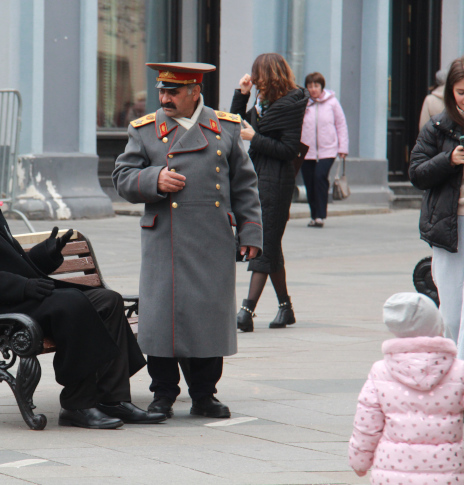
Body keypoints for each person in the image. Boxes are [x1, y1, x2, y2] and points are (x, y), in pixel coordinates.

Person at [0, 141, 166, 429]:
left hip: (12, 295)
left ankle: (113, 398)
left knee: (107, 300)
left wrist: (46, 255)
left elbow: (7, 261)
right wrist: (24, 287)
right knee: (72, 303)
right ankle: (77, 404)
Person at [113, 62, 263, 419]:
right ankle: (162, 393)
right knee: (161, 318)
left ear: (195, 91)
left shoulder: (224, 128)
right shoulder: (145, 130)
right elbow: (122, 177)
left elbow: (244, 184)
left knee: (208, 317)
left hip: (211, 237)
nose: (164, 98)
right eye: (161, 91)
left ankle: (204, 394)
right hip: (164, 237)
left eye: (173, 91)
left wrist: (251, 232)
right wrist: (154, 179)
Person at [230, 53, 309, 332]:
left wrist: (256, 138)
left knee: (264, 240)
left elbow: (289, 150)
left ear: (270, 75)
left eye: (258, 75)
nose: (256, 80)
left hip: (278, 179)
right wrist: (242, 94)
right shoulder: (263, 101)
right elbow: (235, 124)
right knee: (271, 242)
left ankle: (246, 310)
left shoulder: (290, 104)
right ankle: (285, 308)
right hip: (258, 174)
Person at [348, 292, 464, 482]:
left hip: (391, 474)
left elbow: (367, 424)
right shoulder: (458, 371)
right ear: (437, 324)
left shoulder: (381, 371)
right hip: (448, 474)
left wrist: (359, 461)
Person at [410, 56, 464, 358]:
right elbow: (416, 173)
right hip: (449, 224)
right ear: (450, 93)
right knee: (452, 309)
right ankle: (450, 370)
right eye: (460, 92)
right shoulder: (438, 127)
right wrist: (449, 160)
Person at [299, 72, 349, 228]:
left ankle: (320, 215)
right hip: (307, 151)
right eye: (310, 86)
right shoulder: (303, 104)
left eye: (316, 86)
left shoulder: (332, 102)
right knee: (309, 182)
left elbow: (341, 125)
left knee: (319, 177)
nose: (313, 89)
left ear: (322, 87)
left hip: (328, 150)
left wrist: (343, 147)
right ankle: (313, 215)